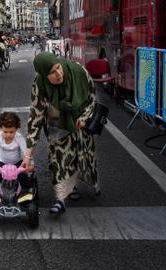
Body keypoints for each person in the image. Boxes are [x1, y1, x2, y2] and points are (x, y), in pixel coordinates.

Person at [22, 52, 99, 215]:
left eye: (58, 68)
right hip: (56, 121)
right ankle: (60, 200)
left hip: (80, 119)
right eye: (52, 73)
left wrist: (85, 117)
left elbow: (92, 98)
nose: (58, 74)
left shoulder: (78, 71)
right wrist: (28, 155)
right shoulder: (39, 85)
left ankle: (76, 184)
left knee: (80, 154)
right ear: (43, 75)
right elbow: (35, 118)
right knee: (59, 156)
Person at [0, 112, 34, 190]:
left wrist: (31, 164)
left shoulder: (19, 137)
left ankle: (27, 191)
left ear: (16, 129)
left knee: (23, 177)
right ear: (1, 128)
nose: (8, 134)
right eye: (5, 132)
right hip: (2, 162)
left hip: (17, 163)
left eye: (11, 132)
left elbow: (26, 152)